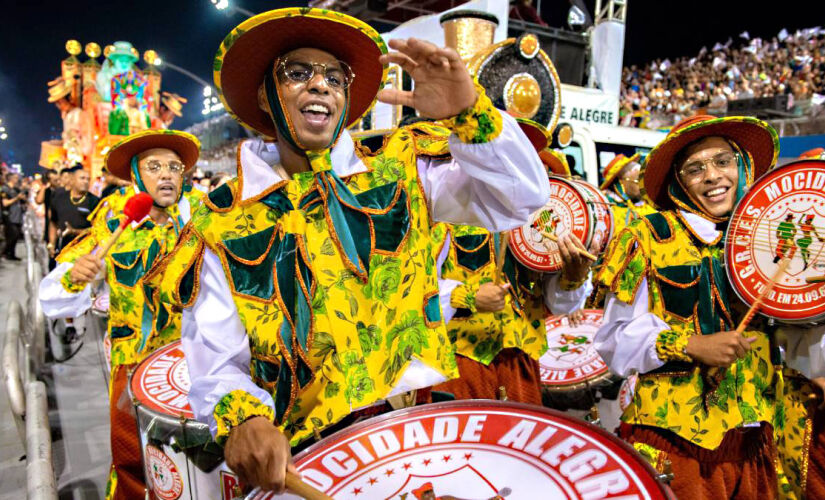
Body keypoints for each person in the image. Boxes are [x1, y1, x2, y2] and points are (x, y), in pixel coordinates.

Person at [147, 7, 549, 494]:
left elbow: (522, 199)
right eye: (298, 74)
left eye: (336, 78)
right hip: (304, 462)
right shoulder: (220, 219)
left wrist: (472, 115)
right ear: (265, 97)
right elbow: (215, 359)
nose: (321, 86)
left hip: (417, 439)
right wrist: (242, 417)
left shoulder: (402, 170)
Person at [594, 115, 782, 499]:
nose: (712, 176)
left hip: (753, 436)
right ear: (678, 181)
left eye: (722, 161)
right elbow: (611, 340)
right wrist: (689, 345)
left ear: (742, 165)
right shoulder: (646, 236)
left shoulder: (769, 237)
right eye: (695, 169)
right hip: (673, 445)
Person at [39, 130, 203, 500]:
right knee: (135, 463)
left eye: (174, 167)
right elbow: (51, 296)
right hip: (134, 366)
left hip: (197, 360)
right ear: (135, 175)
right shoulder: (113, 221)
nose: (167, 175)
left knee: (200, 464)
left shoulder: (201, 215)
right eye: (155, 166)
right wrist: (75, 277)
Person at [434, 120, 593, 405]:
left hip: (521, 361)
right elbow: (413, 285)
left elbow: (560, 304)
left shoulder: (543, 220)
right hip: (458, 360)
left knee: (519, 447)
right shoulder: (444, 208)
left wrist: (573, 277)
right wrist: (465, 297)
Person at [48, 164, 99, 258]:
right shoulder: (59, 198)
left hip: (85, 252)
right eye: (82, 178)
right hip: (61, 250)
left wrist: (75, 231)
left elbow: (98, 230)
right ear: (72, 180)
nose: (86, 182)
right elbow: (53, 223)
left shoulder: (95, 201)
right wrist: (51, 243)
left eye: (88, 179)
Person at [600, 153, 657, 235]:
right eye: (638, 180)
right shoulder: (605, 210)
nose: (643, 186)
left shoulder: (647, 207)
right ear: (621, 183)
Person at [35, 170, 61, 268]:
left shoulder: (63, 192)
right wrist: (44, 186)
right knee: (52, 254)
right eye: (53, 180)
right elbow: (38, 200)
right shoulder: (47, 191)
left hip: (60, 224)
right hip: (49, 225)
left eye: (57, 179)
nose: (56, 182)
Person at [1, 172, 27, 260]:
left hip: (18, 216)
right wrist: (17, 198)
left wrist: (23, 198)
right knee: (13, 235)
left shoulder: (16, 189)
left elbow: (23, 200)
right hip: (9, 216)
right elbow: (5, 203)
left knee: (17, 235)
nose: (17, 180)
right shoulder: (5, 189)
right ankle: (5, 252)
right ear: (11, 179)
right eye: (15, 178)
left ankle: (11, 254)